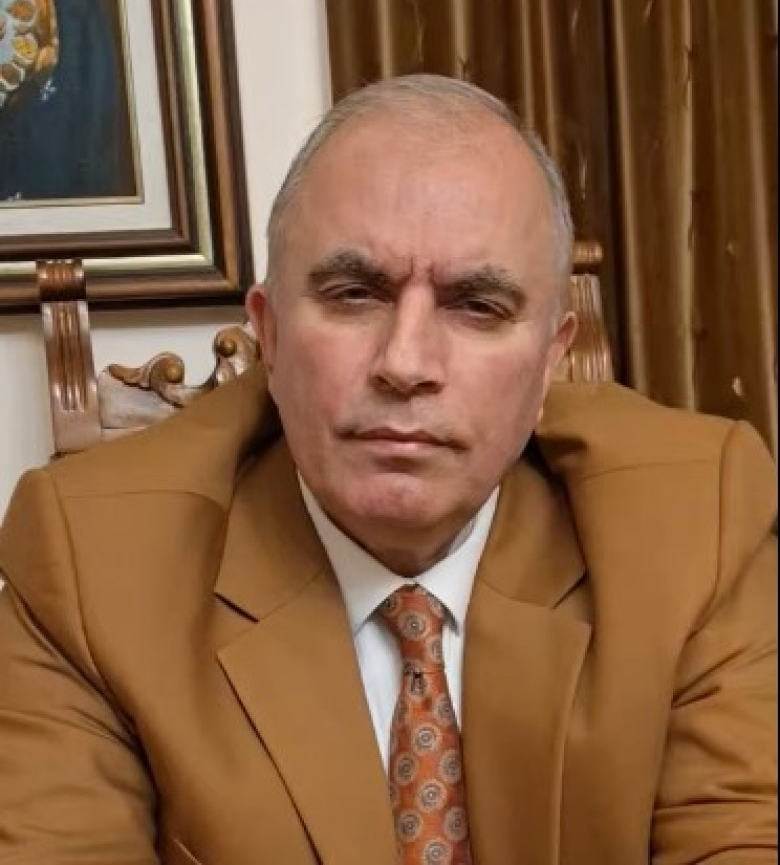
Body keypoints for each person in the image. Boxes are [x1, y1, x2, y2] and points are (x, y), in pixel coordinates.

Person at [0, 74, 776, 864]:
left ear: (551, 360)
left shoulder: (695, 525)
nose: (405, 363)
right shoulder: (92, 565)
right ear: (269, 335)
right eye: (353, 294)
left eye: (477, 306)